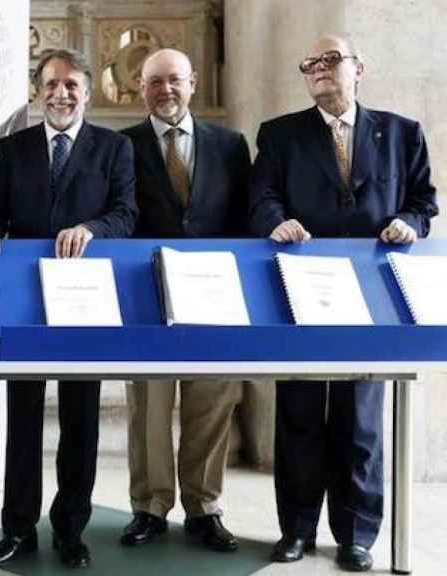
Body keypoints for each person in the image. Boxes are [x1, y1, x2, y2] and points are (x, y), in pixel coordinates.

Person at [249, 35, 437, 573]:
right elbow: (261, 196)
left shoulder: (402, 132)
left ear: (360, 69)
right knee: (300, 413)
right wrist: (273, 221)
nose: (320, 69)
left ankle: (356, 535)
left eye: (332, 60)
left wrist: (412, 223)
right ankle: (296, 530)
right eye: (311, 63)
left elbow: (424, 199)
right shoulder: (281, 134)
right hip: (300, 287)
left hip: (374, 294)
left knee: (362, 423)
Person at [0, 48, 137, 569]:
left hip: (85, 300)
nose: (61, 94)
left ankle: (71, 530)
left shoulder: (114, 147)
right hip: (25, 298)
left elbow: (126, 213)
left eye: (71, 86)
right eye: (51, 84)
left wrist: (90, 229)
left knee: (80, 419)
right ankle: (18, 529)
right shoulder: (14, 148)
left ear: (87, 92)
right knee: (22, 420)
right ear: (37, 91)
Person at [118, 48, 250, 553]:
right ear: (140, 88)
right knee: (149, 405)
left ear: (193, 82)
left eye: (174, 80)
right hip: (146, 292)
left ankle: (204, 506)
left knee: (213, 400)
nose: (165, 90)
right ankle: (149, 506)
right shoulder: (120, 146)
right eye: (154, 82)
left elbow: (245, 213)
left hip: (216, 293)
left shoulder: (231, 145)